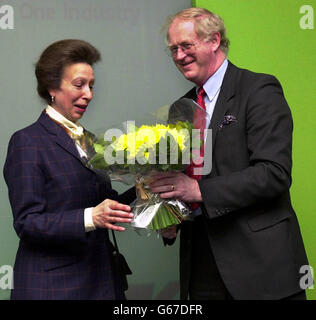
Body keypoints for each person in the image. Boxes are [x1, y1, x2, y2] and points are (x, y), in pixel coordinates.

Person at [150, 8, 309, 300]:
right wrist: (168, 218)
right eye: (173, 49)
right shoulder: (180, 108)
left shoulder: (259, 89)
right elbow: (182, 180)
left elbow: (274, 173)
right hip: (201, 267)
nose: (179, 56)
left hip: (262, 269)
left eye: (187, 46)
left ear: (214, 40)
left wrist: (198, 190)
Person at [3, 39, 135, 300]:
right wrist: (90, 218)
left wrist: (147, 193)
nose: (89, 94)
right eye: (79, 85)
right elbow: (28, 222)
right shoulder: (27, 141)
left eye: (91, 86)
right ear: (52, 86)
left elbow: (103, 207)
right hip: (56, 288)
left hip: (102, 281)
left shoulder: (89, 140)